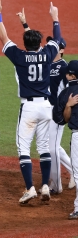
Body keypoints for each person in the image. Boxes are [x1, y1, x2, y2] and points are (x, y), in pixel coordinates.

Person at [0, 0, 61, 204]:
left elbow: (3, 37)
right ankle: (46, 186)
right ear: (40, 44)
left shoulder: (20, 57)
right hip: (46, 107)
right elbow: (57, 39)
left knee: (24, 148)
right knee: (43, 147)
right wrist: (55, 17)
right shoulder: (48, 54)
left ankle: (30, 188)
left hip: (29, 107)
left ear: (25, 44)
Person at [16, 8, 75, 193]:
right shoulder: (45, 60)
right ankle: (72, 171)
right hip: (45, 109)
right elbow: (33, 43)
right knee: (52, 146)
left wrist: (66, 107)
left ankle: (56, 186)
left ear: (61, 50)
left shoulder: (64, 67)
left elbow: (70, 90)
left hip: (57, 112)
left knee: (52, 147)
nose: (47, 45)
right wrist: (25, 24)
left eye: (51, 43)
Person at [53, 60, 78, 220]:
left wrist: (68, 106)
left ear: (72, 76)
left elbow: (62, 120)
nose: (66, 75)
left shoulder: (68, 93)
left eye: (68, 73)